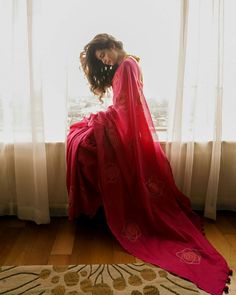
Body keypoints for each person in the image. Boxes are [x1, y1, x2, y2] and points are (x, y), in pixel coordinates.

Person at [66, 33, 232, 295]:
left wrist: (101, 120)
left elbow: (126, 107)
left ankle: (98, 215)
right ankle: (95, 214)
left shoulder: (128, 66)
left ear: (112, 45)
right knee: (81, 142)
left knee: (83, 145)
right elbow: (124, 106)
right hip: (125, 130)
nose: (105, 60)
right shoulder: (126, 65)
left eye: (104, 54)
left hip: (126, 131)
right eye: (100, 59)